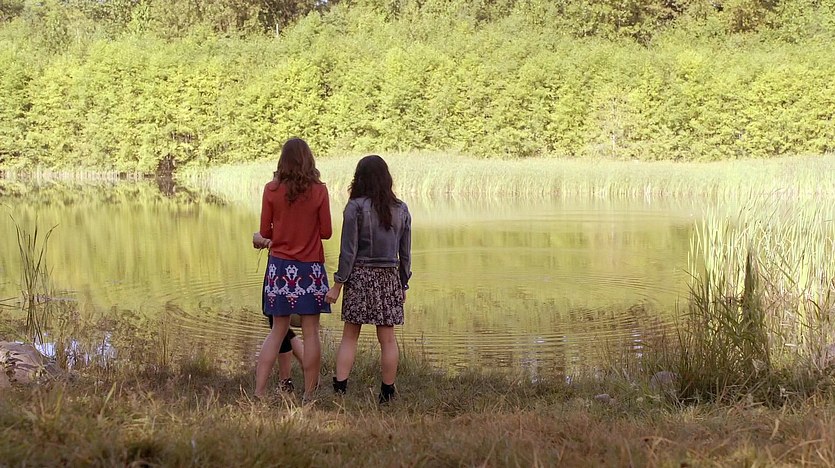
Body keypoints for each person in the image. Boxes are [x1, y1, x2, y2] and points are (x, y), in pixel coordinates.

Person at [325, 155, 412, 403]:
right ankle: (387, 392)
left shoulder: (354, 207)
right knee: (388, 339)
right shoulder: (402, 209)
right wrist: (403, 283)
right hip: (389, 277)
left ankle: (340, 388)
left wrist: (338, 284)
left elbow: (348, 252)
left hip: (360, 277)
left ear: (359, 179)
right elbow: (405, 253)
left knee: (350, 336)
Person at [254, 138, 332, 400]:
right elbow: (327, 232)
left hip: (279, 268)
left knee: (278, 330)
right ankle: (309, 394)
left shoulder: (271, 189)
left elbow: (265, 232)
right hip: (310, 269)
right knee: (311, 332)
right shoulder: (319, 190)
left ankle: (259, 392)